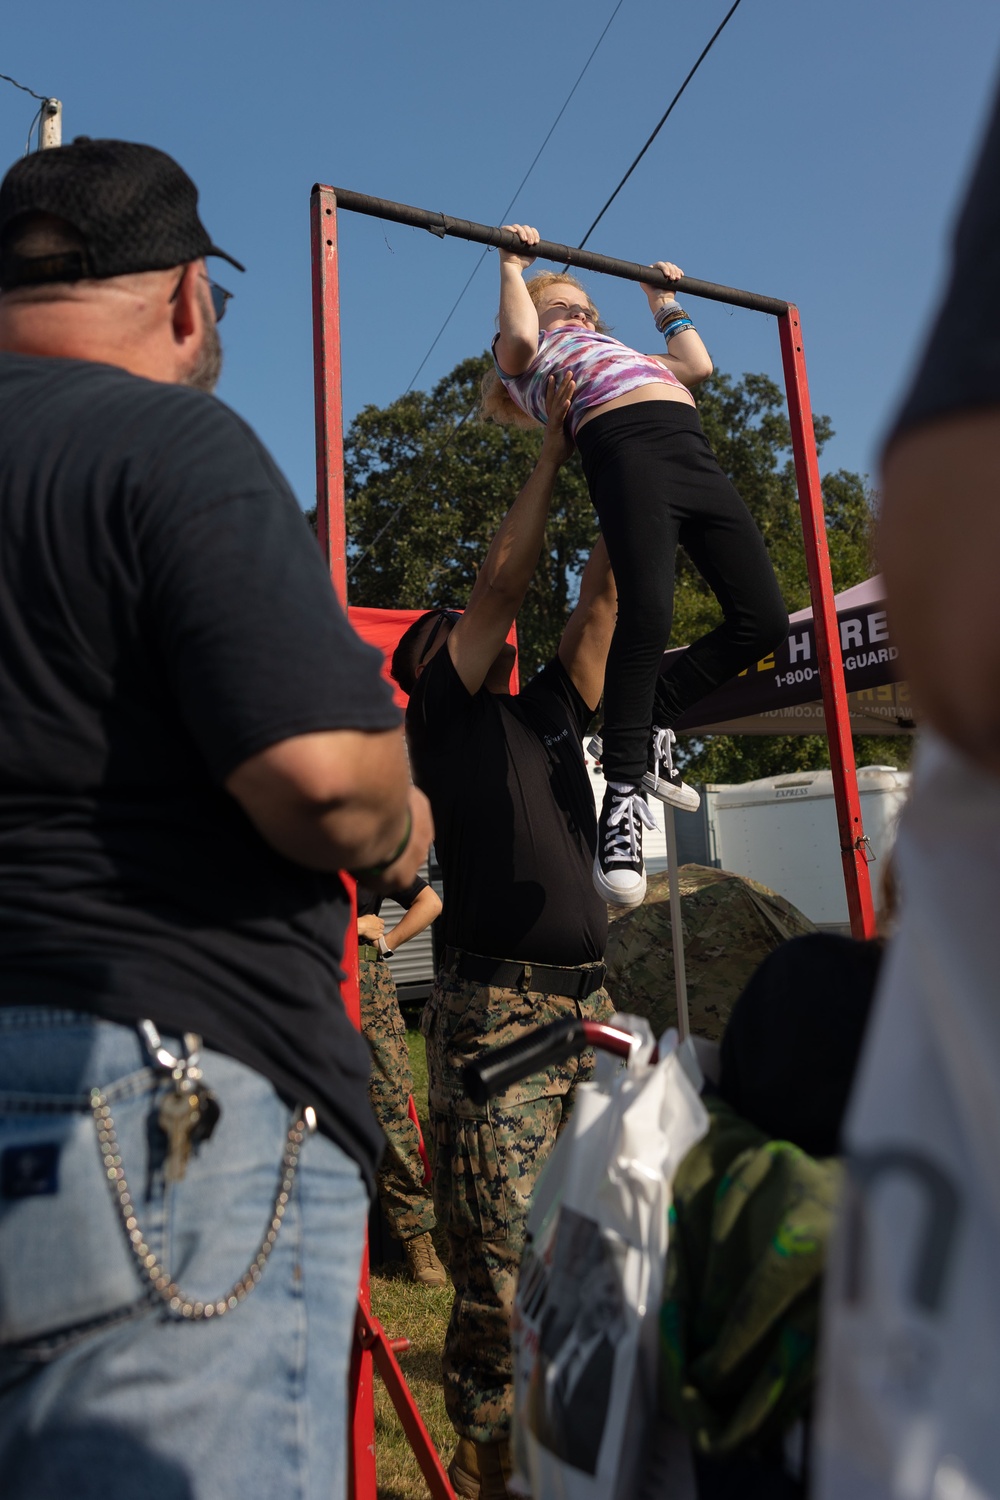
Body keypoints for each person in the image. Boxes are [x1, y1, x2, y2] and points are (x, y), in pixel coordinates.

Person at [0, 138, 431, 1500]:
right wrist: (406, 822)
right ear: (188, 299)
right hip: (153, 1105)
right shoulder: (165, 436)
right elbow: (320, 776)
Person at [814, 66, 1000, 1500]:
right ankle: (634, 767)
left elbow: (967, 609)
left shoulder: (645, 363)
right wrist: (521, 287)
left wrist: (671, 317)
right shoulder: (552, 364)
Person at [390, 372, 618, 1500]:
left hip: (592, 1012)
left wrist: (624, 473)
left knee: (612, 1243)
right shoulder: (443, 719)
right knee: (495, 1277)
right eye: (452, 635)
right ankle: (493, 1480)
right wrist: (549, 457)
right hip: (497, 1024)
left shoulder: (542, 716)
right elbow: (499, 583)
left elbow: (596, 614)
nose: (476, 629)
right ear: (426, 671)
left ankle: (591, 1451)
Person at [483, 225, 788, 907]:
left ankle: (653, 718)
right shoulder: (529, 359)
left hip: (691, 451)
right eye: (566, 307)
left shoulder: (625, 350)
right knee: (647, 609)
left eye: (588, 309)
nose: (581, 316)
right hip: (623, 446)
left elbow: (698, 366)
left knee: (763, 619)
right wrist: (511, 266)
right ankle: (620, 800)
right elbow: (523, 337)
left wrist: (662, 302)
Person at [355, 875, 446, 1287]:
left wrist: (387, 941)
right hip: (306, 979)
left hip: (367, 987)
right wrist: (351, 927)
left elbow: (429, 902)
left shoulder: (369, 846)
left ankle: (417, 1239)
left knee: (390, 1109)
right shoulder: (289, 839)